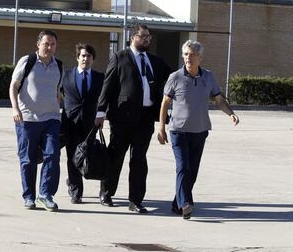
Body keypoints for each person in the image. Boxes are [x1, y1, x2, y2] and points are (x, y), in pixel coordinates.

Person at [157, 40, 239, 219]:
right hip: (178, 131)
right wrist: (161, 127)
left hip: (200, 131)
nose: (188, 58)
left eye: (192, 54)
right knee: (183, 167)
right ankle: (186, 204)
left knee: (192, 171)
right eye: (186, 54)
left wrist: (230, 113)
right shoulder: (175, 77)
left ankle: (176, 203)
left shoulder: (208, 77)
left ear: (200, 57)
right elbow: (165, 103)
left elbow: (219, 100)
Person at [95, 23, 171, 213]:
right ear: (133, 38)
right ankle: (107, 192)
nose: (147, 39)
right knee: (116, 157)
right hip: (122, 117)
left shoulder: (155, 61)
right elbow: (108, 86)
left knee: (139, 160)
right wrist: (100, 112)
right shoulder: (120, 58)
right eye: (144, 36)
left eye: (149, 37)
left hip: (145, 119)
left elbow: (172, 77)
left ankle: (135, 200)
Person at [9, 30, 62, 212]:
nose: (49, 47)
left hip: (52, 119)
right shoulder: (27, 61)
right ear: (38, 44)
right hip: (27, 119)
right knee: (28, 160)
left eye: (53, 44)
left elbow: (56, 91)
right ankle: (29, 196)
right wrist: (15, 109)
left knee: (53, 155)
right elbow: (13, 86)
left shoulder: (58, 65)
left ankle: (45, 194)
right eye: (46, 43)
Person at [61, 43, 104, 204]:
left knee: (86, 157)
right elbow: (57, 95)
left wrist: (101, 114)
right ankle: (76, 191)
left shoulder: (100, 78)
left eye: (89, 56)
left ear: (93, 59)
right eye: (83, 55)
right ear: (78, 57)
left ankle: (73, 181)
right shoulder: (66, 75)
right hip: (70, 123)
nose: (86, 58)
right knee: (72, 157)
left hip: (90, 124)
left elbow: (104, 99)